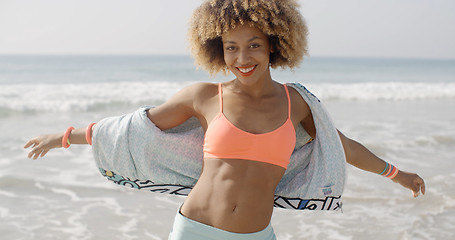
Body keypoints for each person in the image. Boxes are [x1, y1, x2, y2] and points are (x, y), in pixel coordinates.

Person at [24, 0, 425, 239]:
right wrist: (63, 136)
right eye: (231, 48)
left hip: (256, 234)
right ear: (219, 51)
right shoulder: (203, 96)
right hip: (195, 229)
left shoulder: (297, 103)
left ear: (274, 46)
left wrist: (396, 173)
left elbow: (343, 147)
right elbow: (133, 128)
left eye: (253, 45)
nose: (242, 58)